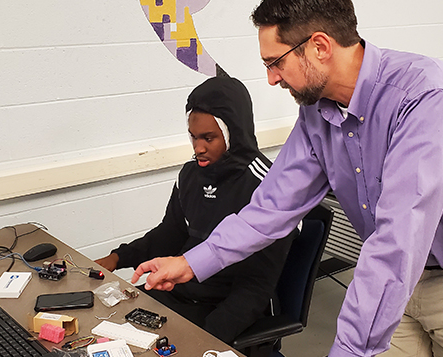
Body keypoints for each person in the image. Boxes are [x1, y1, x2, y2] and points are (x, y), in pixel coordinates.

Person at [131, 1, 443, 356]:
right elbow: (270, 208)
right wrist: (190, 262)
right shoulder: (317, 112)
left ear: (320, 47)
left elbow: (398, 240)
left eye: (276, 63)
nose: (272, 78)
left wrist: (347, 349)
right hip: (400, 281)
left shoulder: (424, 96)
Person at [95, 76, 295, 344]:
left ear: (232, 133)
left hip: (227, 311)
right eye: (193, 137)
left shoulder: (265, 188)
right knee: (105, 329)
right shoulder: (191, 174)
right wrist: (117, 258)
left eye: (209, 138)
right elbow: (170, 233)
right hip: (179, 293)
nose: (198, 148)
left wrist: (203, 341)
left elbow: (254, 290)